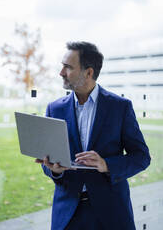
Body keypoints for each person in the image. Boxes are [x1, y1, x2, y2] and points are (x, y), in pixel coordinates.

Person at [35, 41, 151, 230]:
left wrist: (106, 165)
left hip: (111, 213)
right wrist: (54, 170)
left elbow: (142, 157)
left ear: (89, 72)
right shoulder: (54, 108)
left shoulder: (120, 107)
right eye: (62, 66)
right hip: (67, 214)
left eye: (68, 67)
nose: (61, 72)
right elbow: (48, 163)